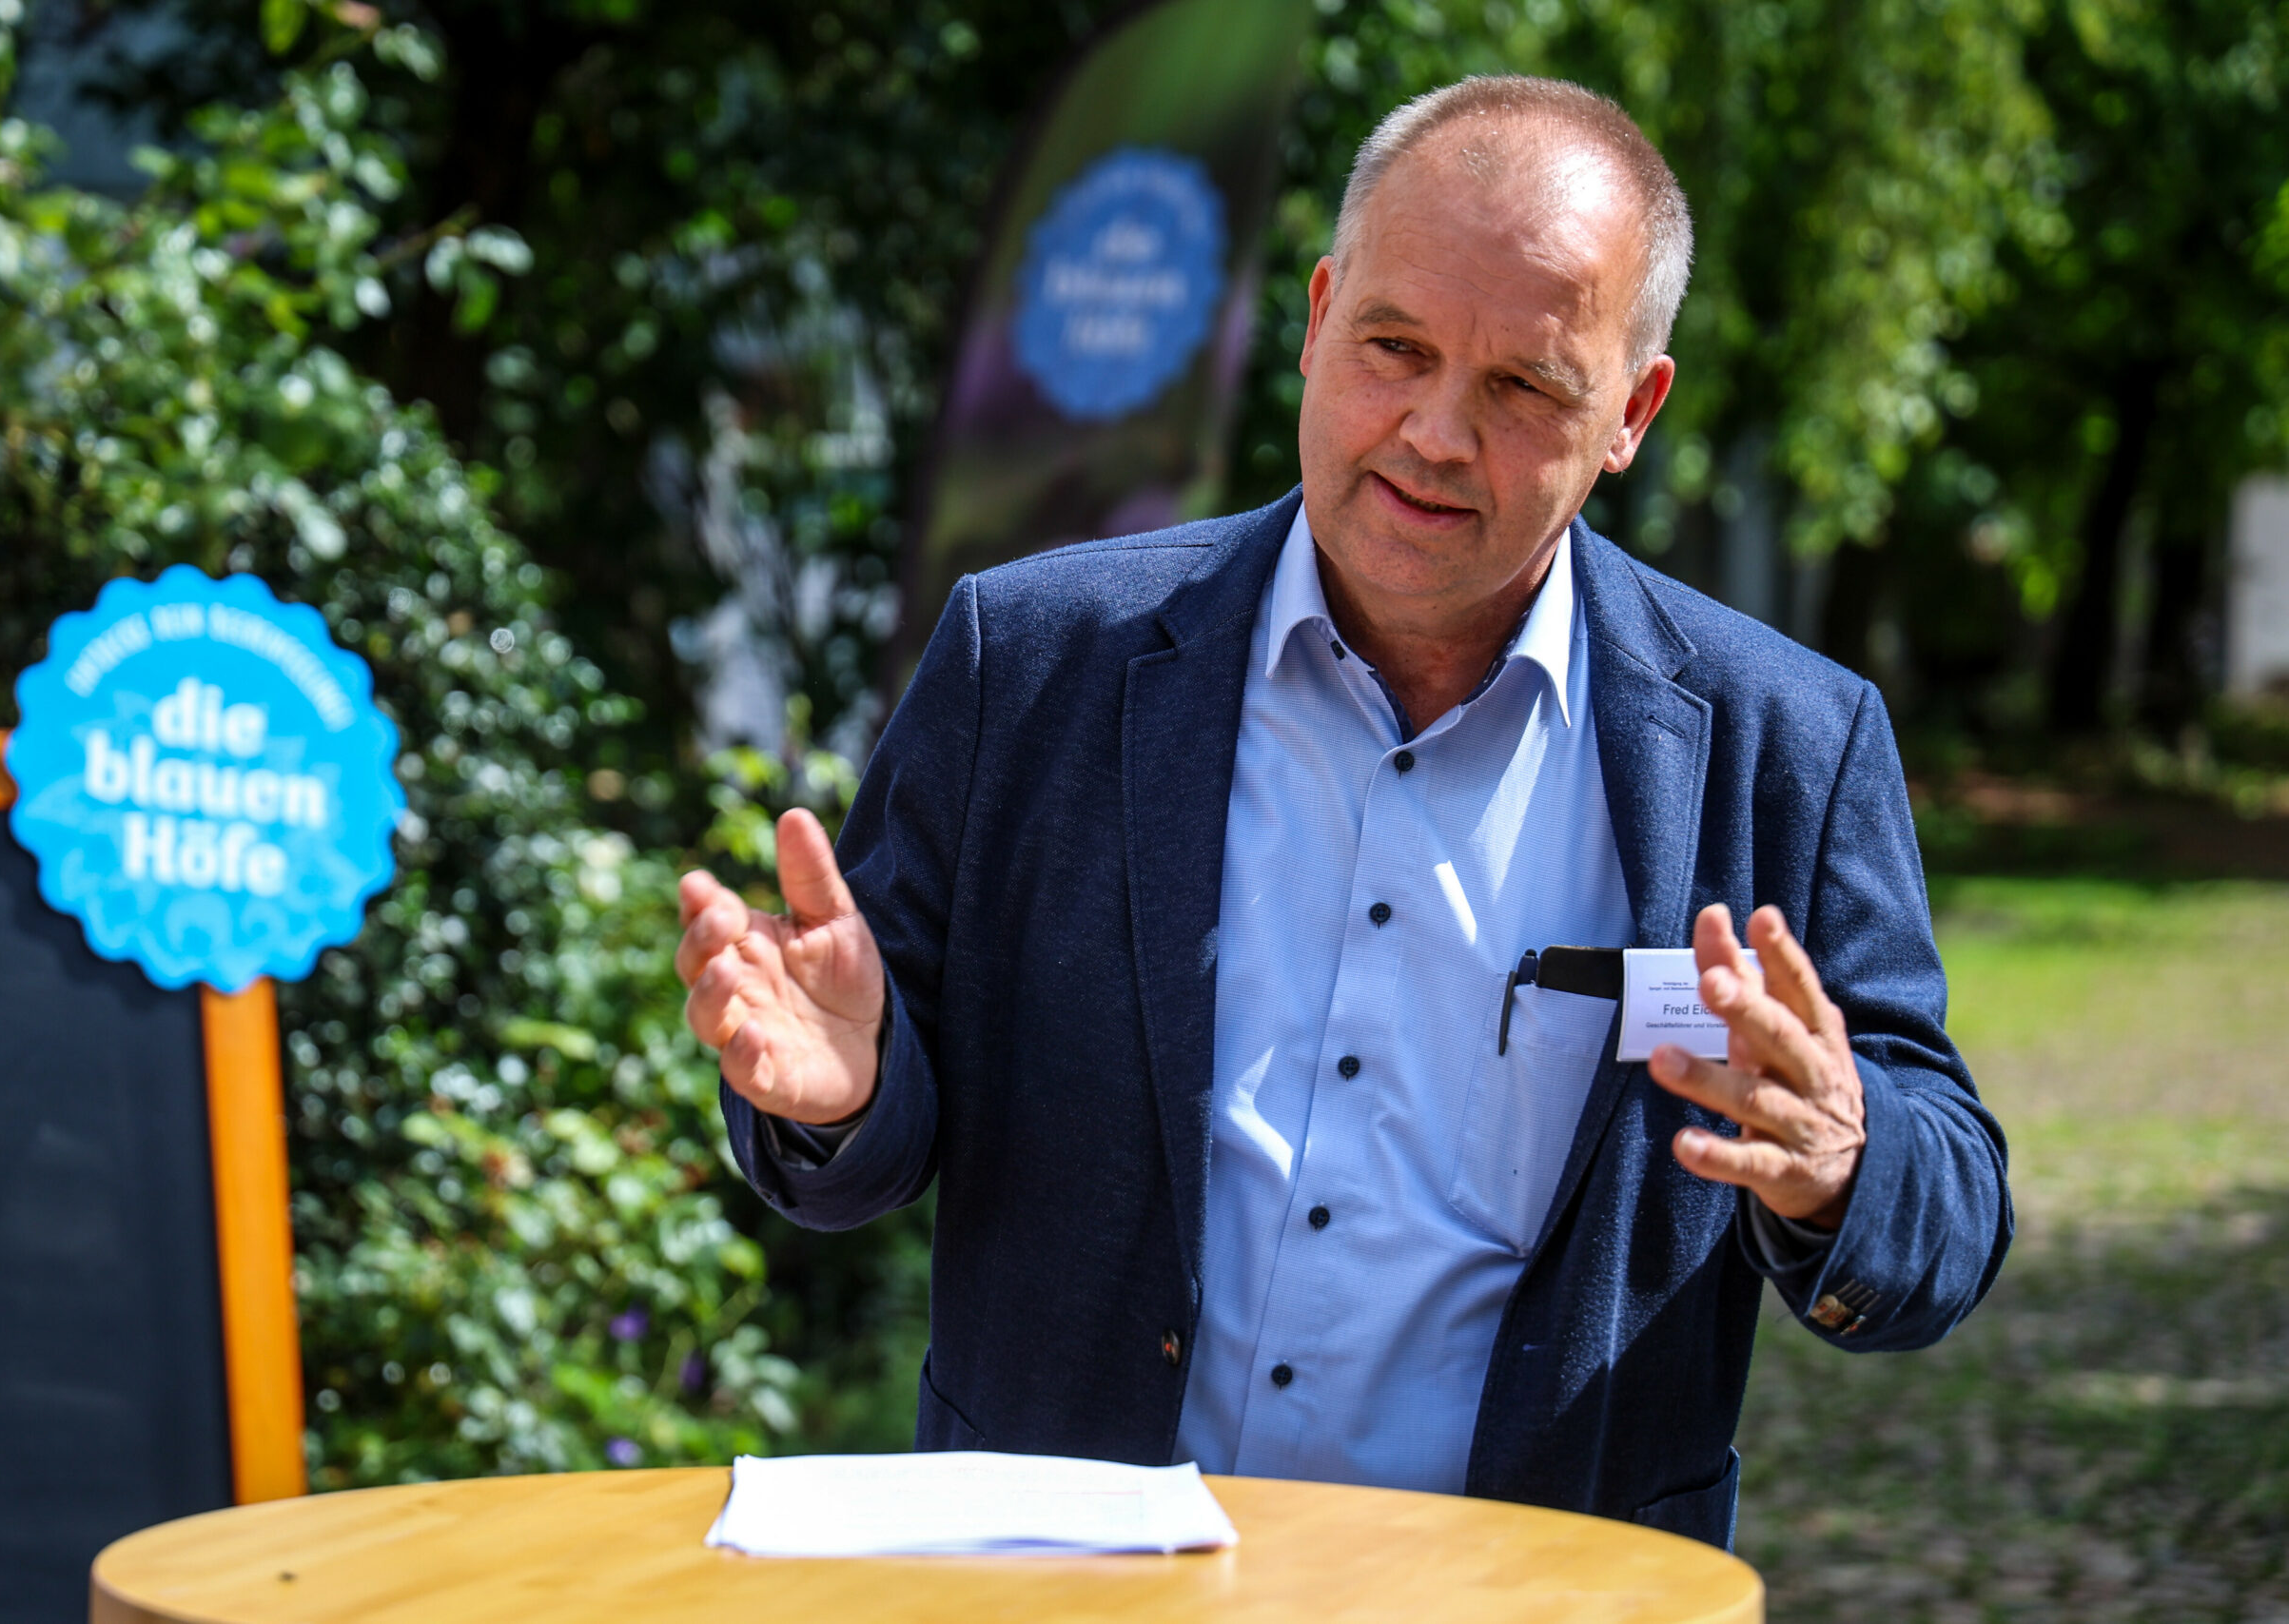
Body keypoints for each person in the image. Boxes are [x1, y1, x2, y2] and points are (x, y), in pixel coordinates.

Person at [675, 73, 2010, 1551]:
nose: (1436, 432)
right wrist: (849, 1090)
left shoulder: (1785, 745)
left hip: (1530, 1589)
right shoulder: (1033, 660)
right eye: (1396, 348)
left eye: (1523, 387)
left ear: (1630, 410)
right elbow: (876, 1114)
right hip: (1070, 1581)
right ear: (1316, 321)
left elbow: (1946, 1208)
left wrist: (1845, 1157)